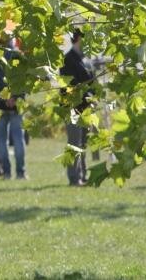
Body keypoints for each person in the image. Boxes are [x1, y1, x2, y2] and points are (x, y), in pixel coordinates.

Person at [60, 28, 94, 186]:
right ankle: (74, 178)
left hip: (86, 108)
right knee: (74, 144)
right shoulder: (68, 60)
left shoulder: (84, 59)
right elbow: (71, 85)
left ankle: (83, 174)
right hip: (73, 108)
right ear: (79, 38)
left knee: (84, 143)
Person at [0, 37, 27, 180]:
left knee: (1, 141)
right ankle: (20, 172)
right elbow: (23, 80)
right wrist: (15, 96)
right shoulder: (18, 55)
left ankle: (6, 173)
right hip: (16, 103)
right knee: (18, 139)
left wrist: (4, 98)